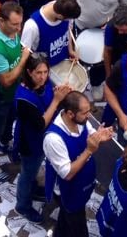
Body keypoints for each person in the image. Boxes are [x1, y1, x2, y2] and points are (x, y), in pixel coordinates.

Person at [43, 91, 115, 237]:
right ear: (70, 114)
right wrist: (89, 150)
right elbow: (67, 174)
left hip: (82, 185)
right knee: (78, 228)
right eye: (84, 113)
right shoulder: (53, 139)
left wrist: (99, 136)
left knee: (65, 219)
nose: (88, 116)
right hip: (68, 191)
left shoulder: (81, 121)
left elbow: (91, 135)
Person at [13, 52, 70, 222]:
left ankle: (33, 189)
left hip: (43, 140)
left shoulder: (44, 85)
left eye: (46, 72)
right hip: (30, 143)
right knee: (28, 173)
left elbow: (52, 98)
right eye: (38, 73)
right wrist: (57, 100)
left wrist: (61, 94)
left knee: (35, 169)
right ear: (29, 72)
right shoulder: (24, 98)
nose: (43, 77)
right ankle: (22, 206)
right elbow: (40, 123)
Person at [0, 1, 31, 182]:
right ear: (1, 21)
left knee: (10, 119)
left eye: (20, 23)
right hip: (1, 94)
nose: (19, 28)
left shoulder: (12, 32)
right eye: (15, 24)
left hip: (14, 93)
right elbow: (7, 80)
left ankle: (5, 141)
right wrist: (24, 58)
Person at [20, 0, 81, 66]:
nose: (70, 20)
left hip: (65, 62)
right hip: (45, 71)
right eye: (68, 19)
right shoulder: (32, 26)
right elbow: (24, 53)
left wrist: (70, 50)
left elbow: (68, 31)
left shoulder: (66, 9)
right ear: (60, 16)